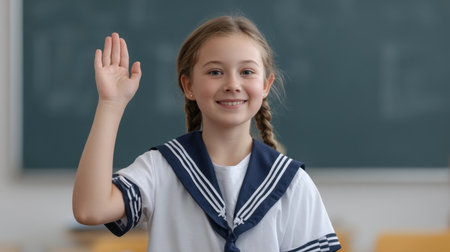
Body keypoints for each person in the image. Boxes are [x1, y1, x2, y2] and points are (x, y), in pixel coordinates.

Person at [72, 15, 341, 252]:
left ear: (266, 84)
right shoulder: (161, 169)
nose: (232, 84)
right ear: (188, 85)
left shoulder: (292, 183)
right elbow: (89, 210)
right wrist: (110, 104)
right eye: (215, 72)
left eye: (247, 71)